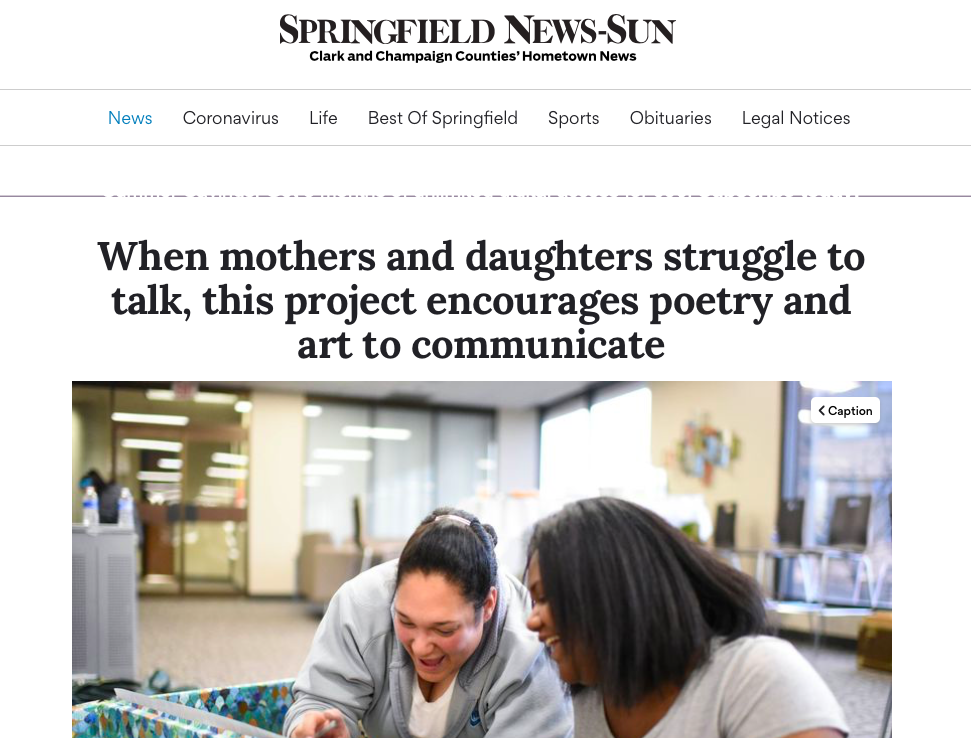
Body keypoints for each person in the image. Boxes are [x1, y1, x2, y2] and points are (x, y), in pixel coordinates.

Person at [525, 497, 849, 738]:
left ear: (610, 590)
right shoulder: (593, 701)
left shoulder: (755, 674)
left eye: (544, 598)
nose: (531, 620)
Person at [284, 507, 573, 738]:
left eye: (443, 629)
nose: (421, 647)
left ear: (487, 606)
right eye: (406, 621)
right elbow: (318, 700)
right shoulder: (361, 605)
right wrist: (313, 725)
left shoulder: (526, 649)